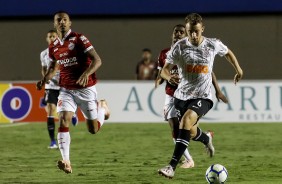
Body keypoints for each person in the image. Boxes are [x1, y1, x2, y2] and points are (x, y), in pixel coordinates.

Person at [158, 13, 243, 179]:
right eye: (190, 31)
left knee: (185, 121)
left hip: (203, 96)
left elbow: (228, 53)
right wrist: (169, 77)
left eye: (196, 31)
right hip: (181, 96)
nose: (194, 35)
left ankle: (171, 166)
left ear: (202, 29)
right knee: (189, 130)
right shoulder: (180, 46)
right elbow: (164, 70)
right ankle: (206, 138)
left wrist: (238, 70)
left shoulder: (212, 44)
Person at [36, 11, 110, 174]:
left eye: (64, 20)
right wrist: (44, 79)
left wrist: (86, 74)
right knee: (63, 119)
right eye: (58, 20)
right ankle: (67, 161)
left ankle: (103, 108)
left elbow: (98, 60)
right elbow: (54, 66)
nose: (61, 22)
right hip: (66, 89)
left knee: (93, 129)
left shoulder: (79, 39)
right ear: (55, 24)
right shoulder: (53, 46)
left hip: (86, 89)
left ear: (70, 23)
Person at [40, 30, 78, 149]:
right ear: (47, 39)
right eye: (49, 36)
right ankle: (52, 141)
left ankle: (74, 112)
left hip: (63, 85)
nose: (51, 38)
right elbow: (44, 68)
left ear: (57, 38)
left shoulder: (63, 52)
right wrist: (45, 78)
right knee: (51, 109)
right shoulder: (43, 54)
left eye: (54, 36)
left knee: (64, 113)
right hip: (51, 86)